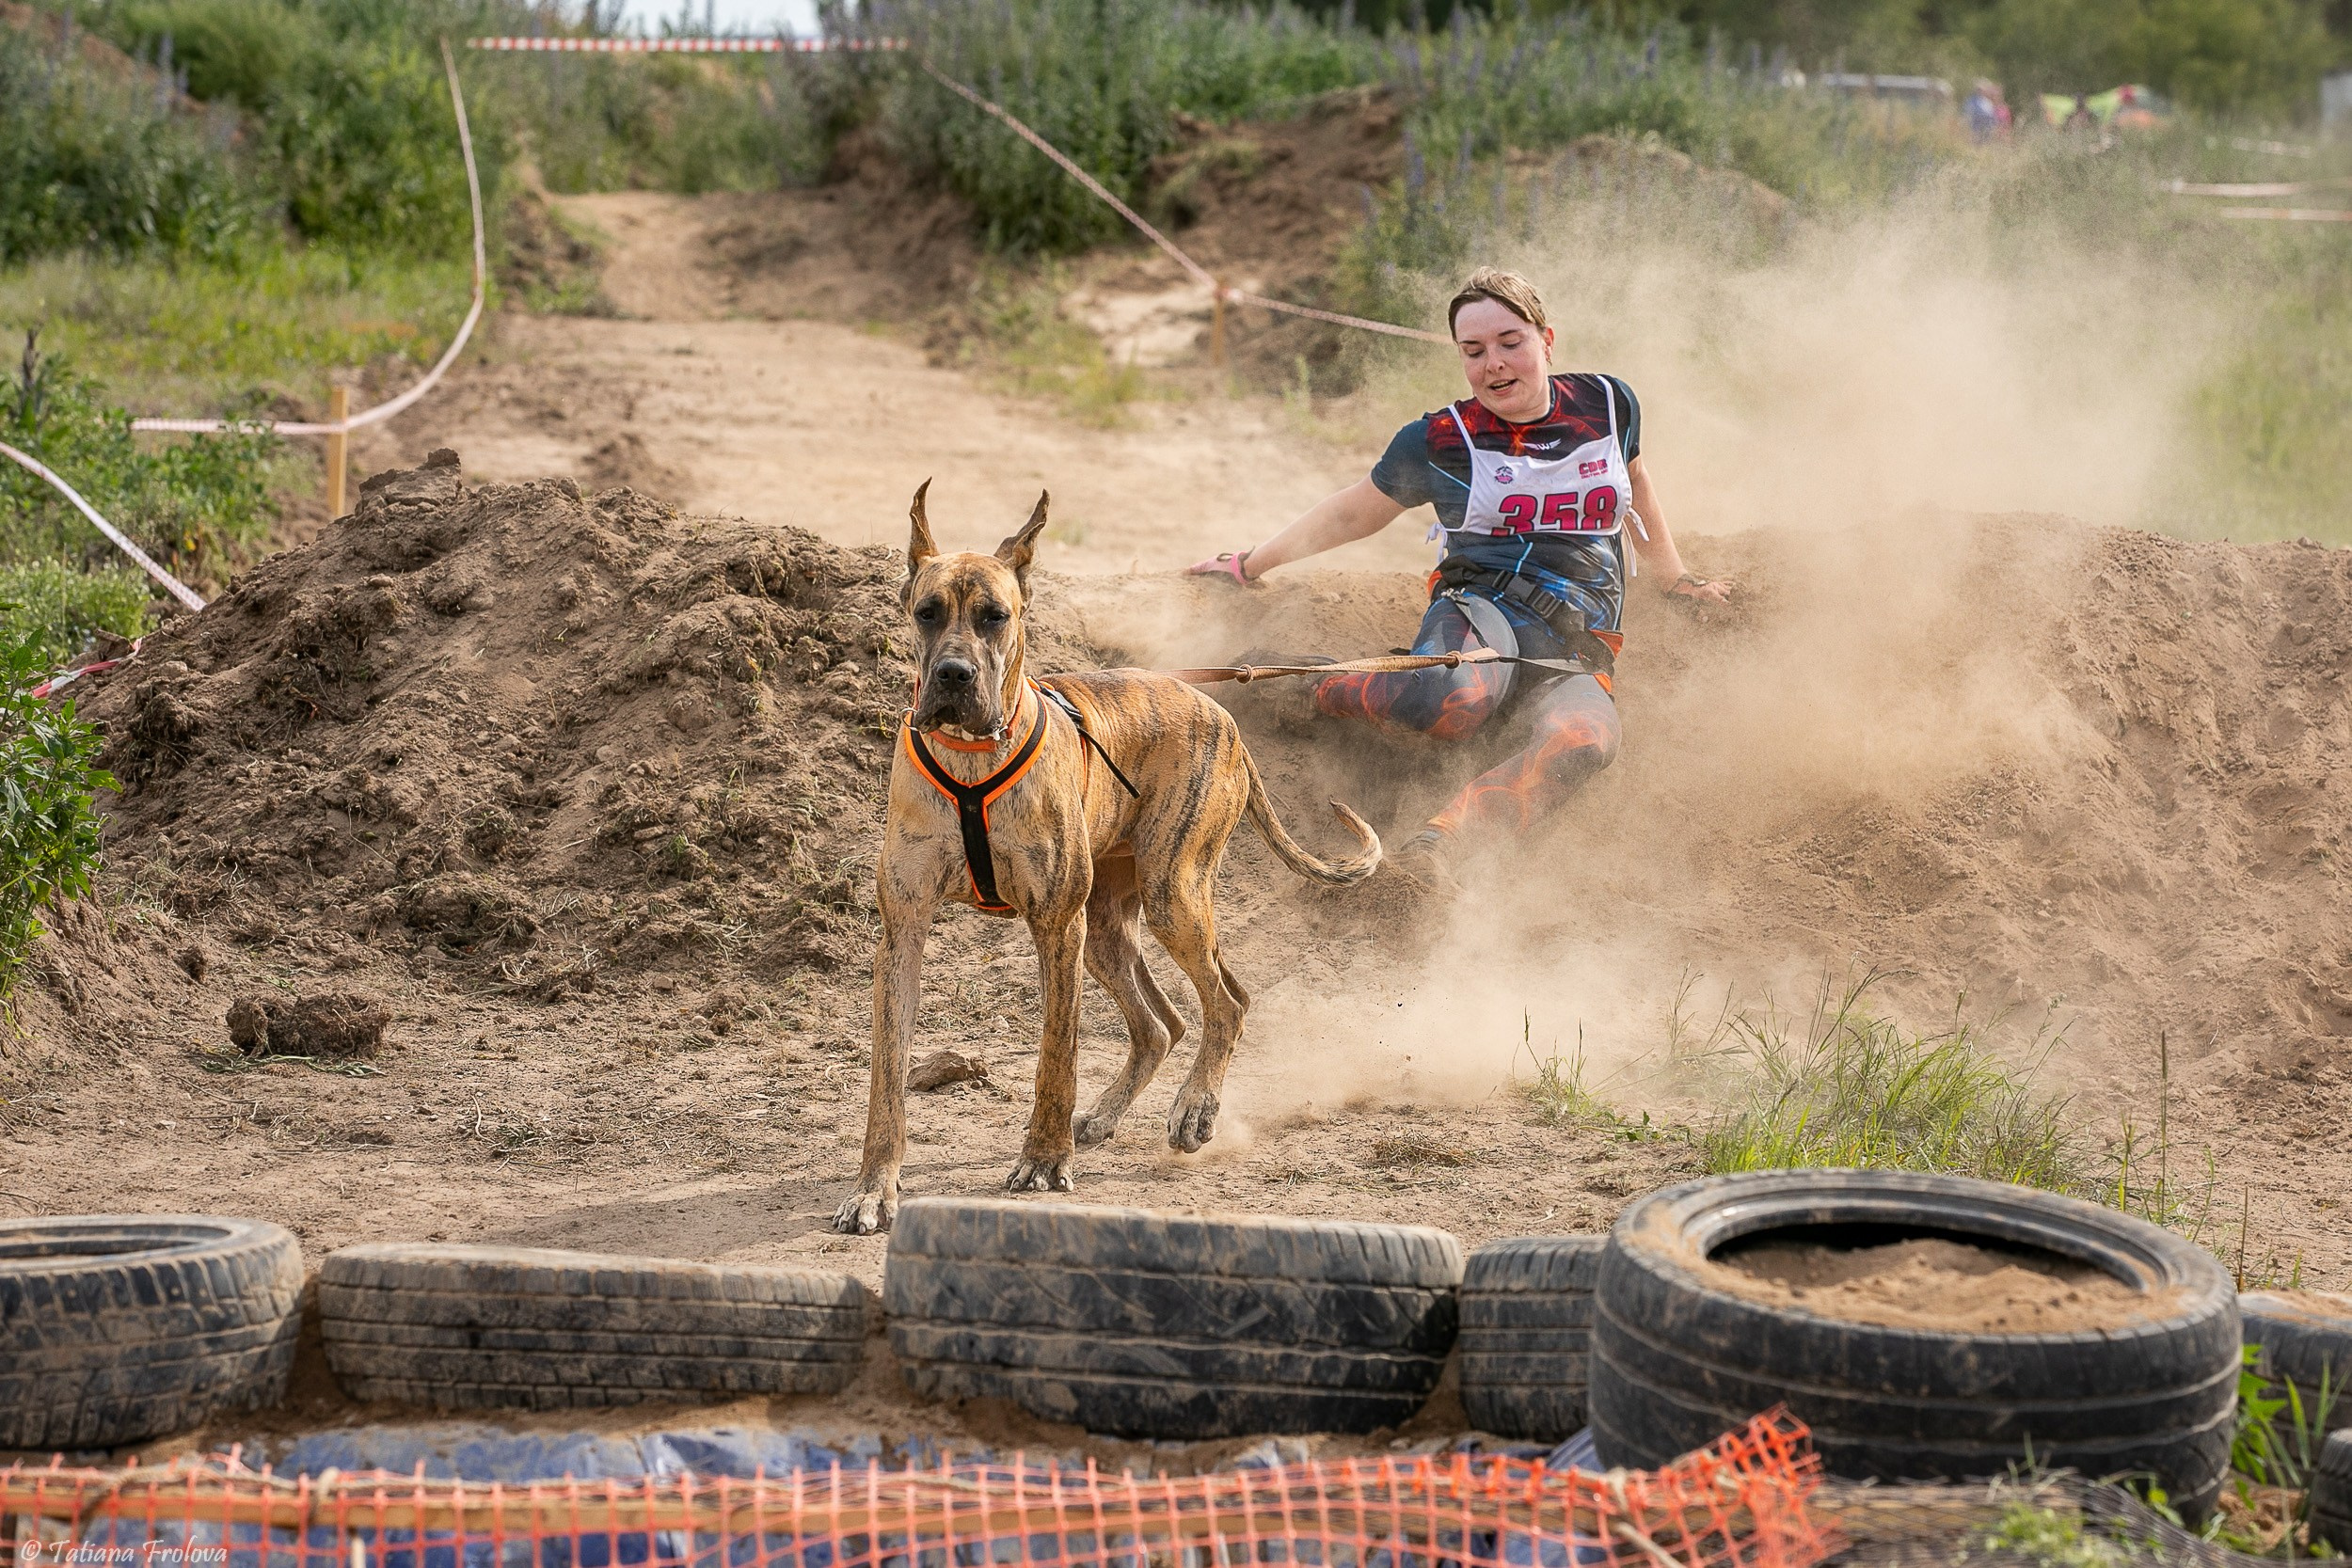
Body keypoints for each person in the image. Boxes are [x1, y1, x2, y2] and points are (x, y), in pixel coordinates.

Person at [1187, 267, 1730, 884]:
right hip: (1482, 612)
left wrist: (1677, 579)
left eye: (1510, 342)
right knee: (1457, 699)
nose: (1494, 363)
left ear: (1546, 339)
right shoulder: (1440, 439)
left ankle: (1435, 853)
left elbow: (1636, 485)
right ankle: (1302, 681)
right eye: (1474, 351)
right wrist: (1247, 563)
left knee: (1586, 742)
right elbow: (1352, 511)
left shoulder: (1609, 403)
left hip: (1579, 649)